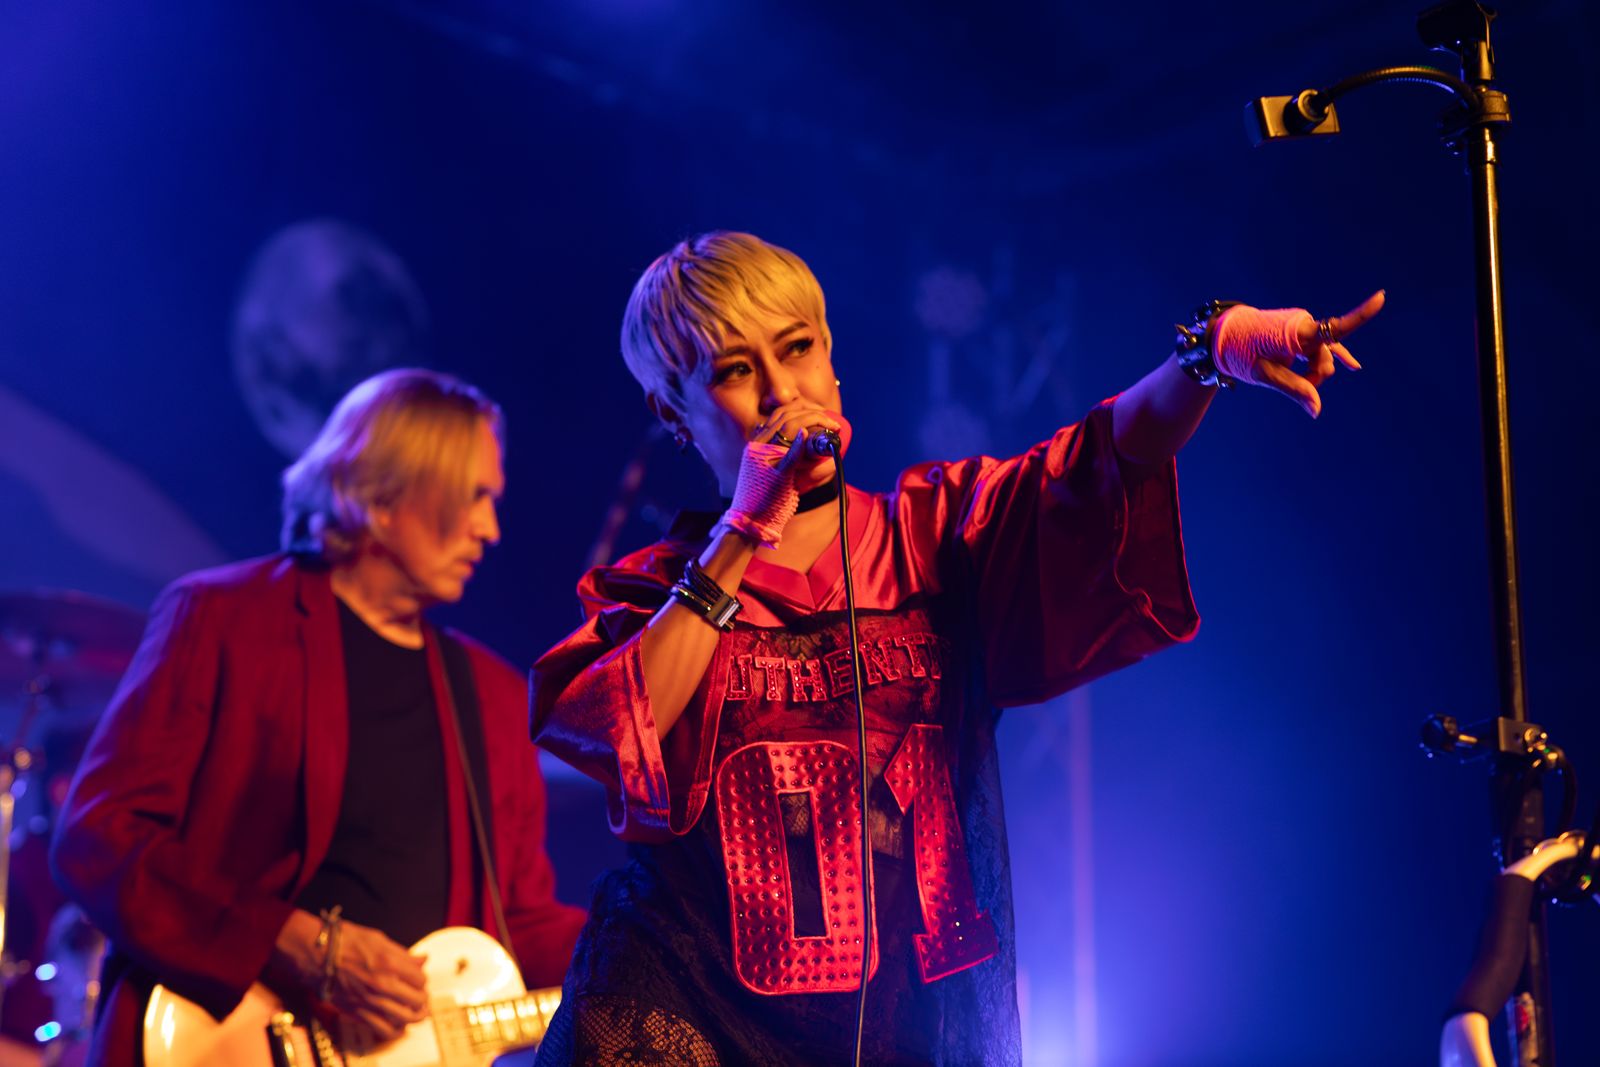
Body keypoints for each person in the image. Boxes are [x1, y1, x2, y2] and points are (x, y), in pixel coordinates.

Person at [528, 231, 1384, 1065]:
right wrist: (745, 529)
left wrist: (1206, 354)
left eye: (797, 349)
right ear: (673, 410)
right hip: (685, 1011)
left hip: (903, 1022)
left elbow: (1092, 467)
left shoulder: (934, 534)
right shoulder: (652, 592)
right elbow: (613, 725)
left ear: (832, 357)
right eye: (734, 371)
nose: (782, 392)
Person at [50, 369, 587, 1066]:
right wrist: (297, 942)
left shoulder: (493, 695)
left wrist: (658, 942)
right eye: (474, 496)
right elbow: (99, 839)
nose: (490, 529)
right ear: (383, 498)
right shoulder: (224, 619)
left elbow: (522, 922)